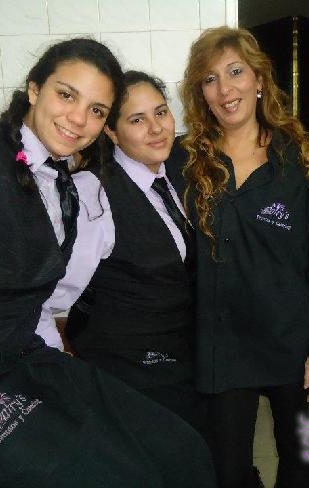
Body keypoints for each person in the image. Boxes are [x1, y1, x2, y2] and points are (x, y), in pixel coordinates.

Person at [0, 38, 215, 488]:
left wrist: (58, 367)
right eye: (66, 95)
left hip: (21, 365)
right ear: (34, 89)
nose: (78, 119)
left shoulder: (59, 185)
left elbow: (36, 303)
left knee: (179, 450)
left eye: (96, 110)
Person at [167, 26, 309, 488]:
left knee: (298, 467)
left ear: (258, 80)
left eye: (235, 72)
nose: (225, 89)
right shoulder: (184, 161)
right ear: (200, 93)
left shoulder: (298, 162)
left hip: (291, 340)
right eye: (210, 79)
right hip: (221, 344)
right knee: (227, 472)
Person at [37, 70, 206, 435]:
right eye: (137, 120)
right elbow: (51, 294)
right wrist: (56, 363)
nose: (156, 128)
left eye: (161, 113)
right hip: (128, 370)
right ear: (112, 132)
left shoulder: (178, 172)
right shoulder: (93, 194)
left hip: (183, 357)